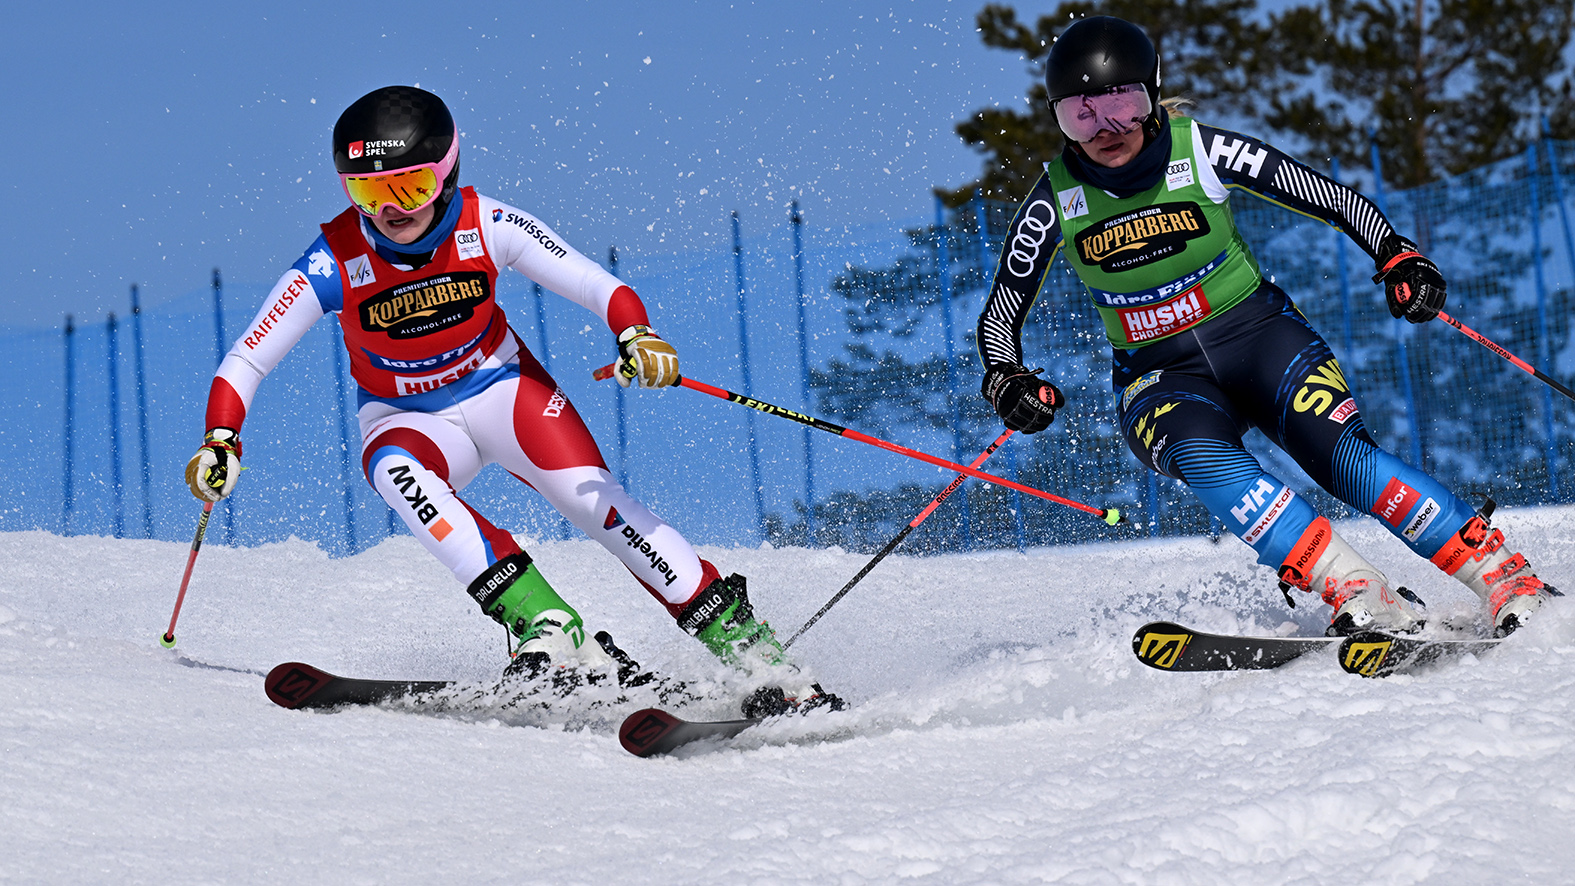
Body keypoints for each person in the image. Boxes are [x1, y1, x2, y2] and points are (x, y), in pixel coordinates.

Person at [185, 85, 835, 714]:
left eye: (408, 187)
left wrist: (635, 333)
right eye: (367, 192)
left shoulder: (487, 222)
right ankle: (550, 628)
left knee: (599, 508)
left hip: (503, 391)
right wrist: (221, 439)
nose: (390, 210)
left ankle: (755, 655)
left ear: (447, 173)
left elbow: (596, 285)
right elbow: (248, 357)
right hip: (407, 418)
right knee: (392, 469)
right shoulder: (334, 257)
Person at [975, 16, 1559, 637]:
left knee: (1342, 460)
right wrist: (1005, 377)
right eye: (1081, 114)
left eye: (1122, 104)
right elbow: (1001, 312)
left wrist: (1396, 254)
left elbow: (1324, 195)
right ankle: (1354, 588)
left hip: (1259, 339)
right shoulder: (1054, 198)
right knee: (1204, 458)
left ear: (1152, 96)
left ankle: (1504, 577)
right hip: (1160, 375)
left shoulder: (1201, 151)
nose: (1105, 129)